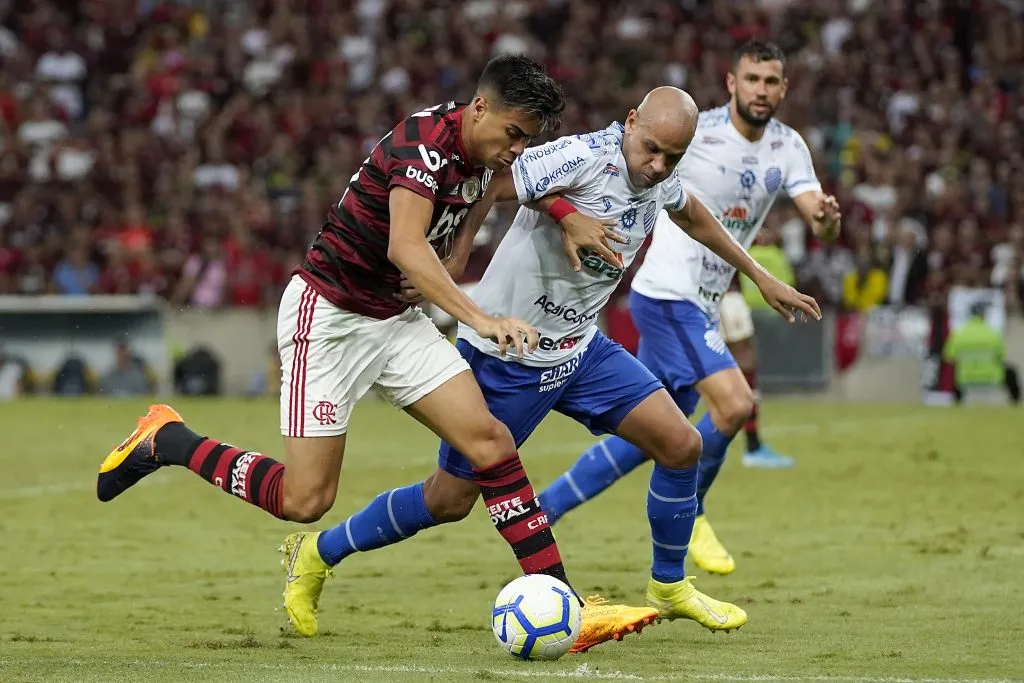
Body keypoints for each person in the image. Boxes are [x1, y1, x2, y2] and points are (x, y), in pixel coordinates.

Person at [95, 55, 648, 646]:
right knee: (305, 500)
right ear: (479, 107)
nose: (518, 149)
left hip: (396, 321)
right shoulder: (423, 146)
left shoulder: (486, 154)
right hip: (329, 319)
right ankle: (169, 440)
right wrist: (480, 318)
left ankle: (565, 600)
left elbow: (486, 196)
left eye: (529, 140)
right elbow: (407, 248)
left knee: (491, 444)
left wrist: (460, 253)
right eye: (514, 134)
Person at [290, 86, 822, 651]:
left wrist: (760, 276)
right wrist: (473, 247)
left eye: (674, 155)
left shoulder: (659, 174)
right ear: (631, 120)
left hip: (580, 351)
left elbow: (691, 212)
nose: (658, 165)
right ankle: (318, 553)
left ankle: (669, 586)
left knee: (681, 444)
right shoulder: (582, 156)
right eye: (652, 149)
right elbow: (501, 181)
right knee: (448, 501)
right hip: (507, 356)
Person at [538, 40, 842, 576]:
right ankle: (694, 509)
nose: (761, 91)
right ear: (732, 82)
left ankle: (549, 506)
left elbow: (816, 214)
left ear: (783, 88)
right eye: (752, 79)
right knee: (733, 404)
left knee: (658, 432)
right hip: (668, 291)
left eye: (771, 82)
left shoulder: (789, 147)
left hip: (703, 299)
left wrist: (826, 218)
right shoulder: (695, 134)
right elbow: (657, 178)